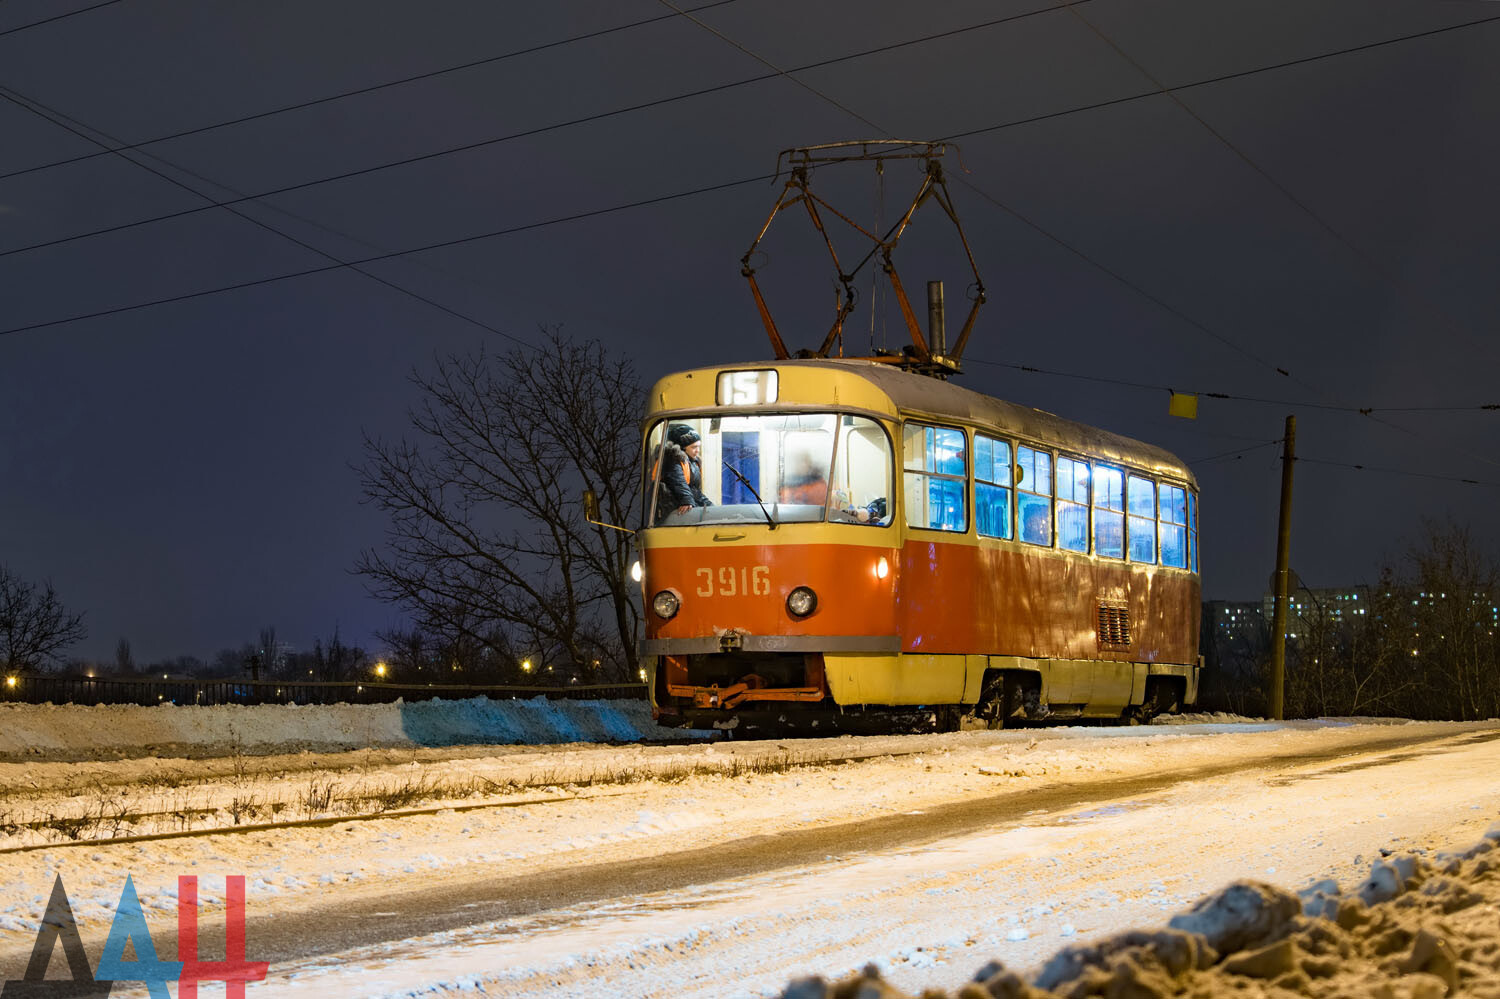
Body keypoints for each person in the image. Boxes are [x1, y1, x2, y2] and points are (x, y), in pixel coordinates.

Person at [656, 424, 712, 520]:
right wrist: (687, 500)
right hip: (675, 509)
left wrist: (710, 506)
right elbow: (678, 482)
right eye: (694, 447)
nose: (697, 451)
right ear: (682, 448)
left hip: (687, 504)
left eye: (699, 446)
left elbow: (694, 490)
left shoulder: (693, 462)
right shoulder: (673, 460)